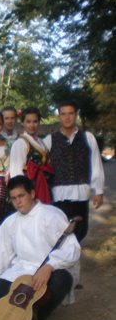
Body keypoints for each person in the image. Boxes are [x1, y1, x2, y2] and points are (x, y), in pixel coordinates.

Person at [0, 176, 81, 320]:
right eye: (13, 198)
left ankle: (37, 318)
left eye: (21, 196)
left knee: (63, 280)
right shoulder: (11, 222)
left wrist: (49, 266)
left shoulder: (51, 215)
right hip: (22, 270)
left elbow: (71, 248)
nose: (18, 202)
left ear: (32, 193)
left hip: (51, 270)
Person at [43, 101, 104, 242]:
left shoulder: (87, 137)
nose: (67, 117)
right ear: (59, 117)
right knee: (60, 233)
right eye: (63, 114)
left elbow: (95, 163)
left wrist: (98, 190)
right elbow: (41, 164)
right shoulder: (49, 140)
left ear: (76, 115)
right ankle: (61, 263)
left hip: (81, 192)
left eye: (70, 113)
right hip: (59, 194)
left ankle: (73, 262)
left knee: (80, 231)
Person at [10, 107, 53, 204]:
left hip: (43, 186)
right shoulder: (20, 143)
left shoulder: (41, 142)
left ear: (39, 122)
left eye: (35, 121)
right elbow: (16, 172)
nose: (32, 125)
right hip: (29, 190)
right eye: (28, 122)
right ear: (22, 123)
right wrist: (22, 195)